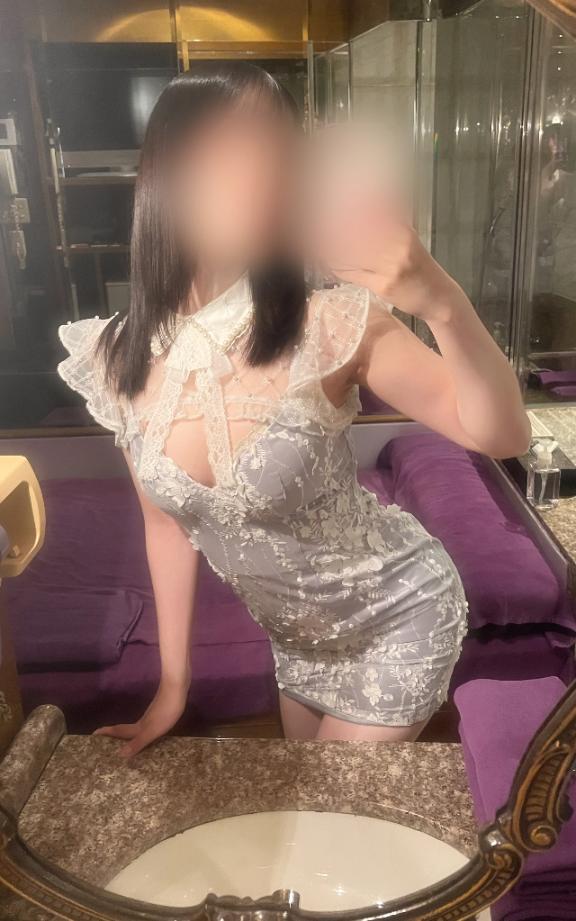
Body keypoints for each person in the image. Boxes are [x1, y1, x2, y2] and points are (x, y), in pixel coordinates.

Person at [58, 63, 530, 756]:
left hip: (398, 616)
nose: (259, 178)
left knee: (323, 807)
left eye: (276, 157)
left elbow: (503, 433)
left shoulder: (332, 327)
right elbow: (166, 527)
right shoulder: (114, 356)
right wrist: (172, 688)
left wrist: (441, 302)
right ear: (168, 173)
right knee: (305, 803)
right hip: (298, 646)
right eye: (231, 152)